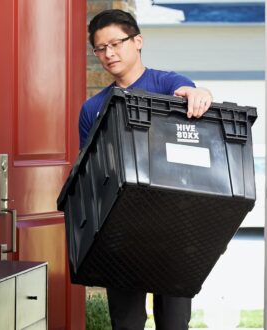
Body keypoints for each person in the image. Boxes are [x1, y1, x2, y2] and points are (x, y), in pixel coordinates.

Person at [79, 9, 213, 330]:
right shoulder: (92, 108)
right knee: (125, 323)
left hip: (173, 230)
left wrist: (199, 94)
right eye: (100, 48)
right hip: (121, 233)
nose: (108, 54)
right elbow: (89, 173)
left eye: (116, 43)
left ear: (137, 41)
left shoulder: (166, 84)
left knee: (173, 323)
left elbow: (190, 92)